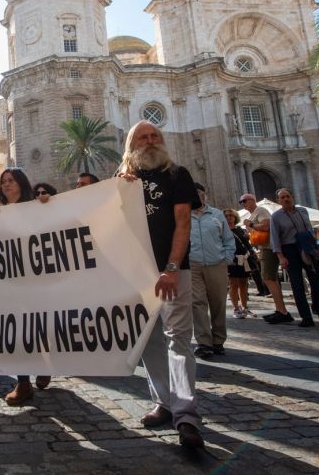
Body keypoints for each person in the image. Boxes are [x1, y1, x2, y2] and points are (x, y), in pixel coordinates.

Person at [117, 120, 203, 449]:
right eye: (143, 137)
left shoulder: (177, 175)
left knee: (178, 341)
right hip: (138, 275)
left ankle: (186, 415)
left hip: (172, 272)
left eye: (155, 136)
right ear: (132, 144)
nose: (150, 141)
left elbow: (182, 224)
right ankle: (164, 403)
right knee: (149, 342)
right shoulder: (122, 179)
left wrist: (171, 267)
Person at [0, 167, 52, 405]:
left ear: (22, 184)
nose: (6, 184)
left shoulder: (39, 206)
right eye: (3, 181)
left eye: (11, 180)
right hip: (7, 281)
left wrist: (48, 205)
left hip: (35, 279)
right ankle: (23, 382)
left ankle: (45, 363)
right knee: (15, 330)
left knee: (38, 327)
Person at [188, 183, 235, 359]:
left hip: (217, 264)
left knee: (218, 303)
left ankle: (218, 341)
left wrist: (226, 260)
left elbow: (228, 240)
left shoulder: (217, 215)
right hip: (193, 265)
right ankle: (204, 343)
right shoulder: (183, 215)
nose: (197, 196)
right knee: (197, 302)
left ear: (204, 195)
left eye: (200, 193)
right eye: (193, 194)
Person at [270, 188, 319, 327]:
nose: (285, 199)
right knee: (297, 285)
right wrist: (280, 256)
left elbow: (309, 230)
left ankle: (317, 307)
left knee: (316, 280)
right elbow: (275, 237)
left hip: (307, 248)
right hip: (289, 250)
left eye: (288, 196)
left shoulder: (303, 211)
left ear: (292, 197)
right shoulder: (276, 216)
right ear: (278, 201)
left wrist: (315, 248)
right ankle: (306, 316)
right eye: (282, 197)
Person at [240, 194, 292, 321]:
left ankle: (282, 311)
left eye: (245, 201)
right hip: (263, 247)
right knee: (271, 279)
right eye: (241, 202)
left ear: (253, 200)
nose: (242, 203)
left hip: (269, 247)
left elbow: (267, 226)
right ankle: (280, 310)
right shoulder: (253, 214)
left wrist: (251, 225)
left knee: (268, 278)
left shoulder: (261, 210)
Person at [224, 209, 255, 319]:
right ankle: (236, 308)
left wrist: (251, 253)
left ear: (235, 217)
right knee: (233, 284)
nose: (229, 217)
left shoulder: (240, 230)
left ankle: (245, 307)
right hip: (232, 259)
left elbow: (247, 244)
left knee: (243, 283)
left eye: (231, 215)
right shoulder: (222, 230)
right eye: (226, 216)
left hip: (244, 259)